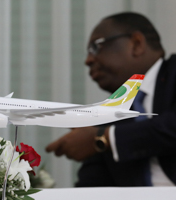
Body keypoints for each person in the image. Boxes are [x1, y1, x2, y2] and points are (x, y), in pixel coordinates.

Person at [46, 12, 176, 186]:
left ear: (136, 44)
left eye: (96, 47)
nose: (88, 60)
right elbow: (91, 188)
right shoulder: (108, 114)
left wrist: (106, 138)